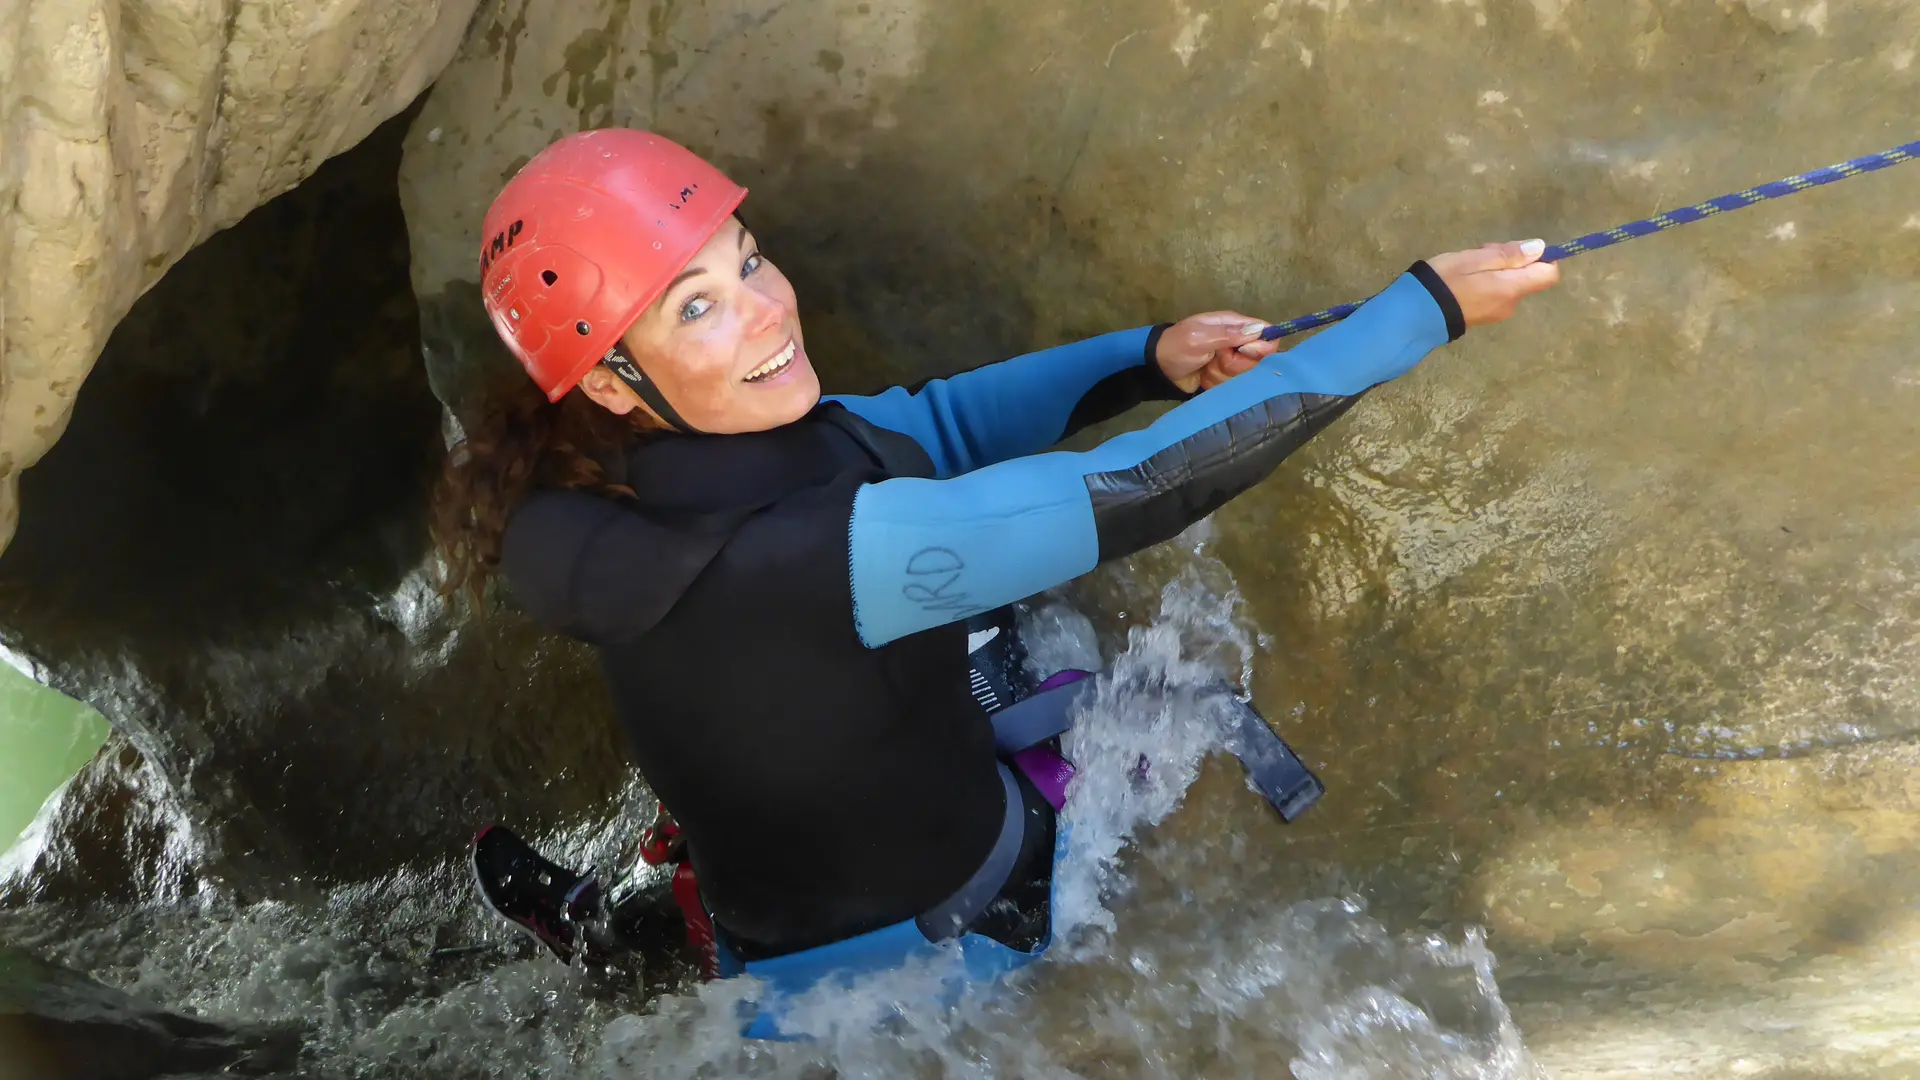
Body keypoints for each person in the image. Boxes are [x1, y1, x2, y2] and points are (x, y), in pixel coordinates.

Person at [433, 128, 1559, 1034]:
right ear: (617, 383)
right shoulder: (804, 560)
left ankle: (634, 933)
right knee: (1010, 633)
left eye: (747, 259)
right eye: (698, 306)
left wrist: (1146, 357)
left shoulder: (615, 481)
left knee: (950, 641)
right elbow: (1144, 486)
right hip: (943, 967)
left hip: (800, 900)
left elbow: (934, 423)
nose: (769, 307)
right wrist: (1424, 312)